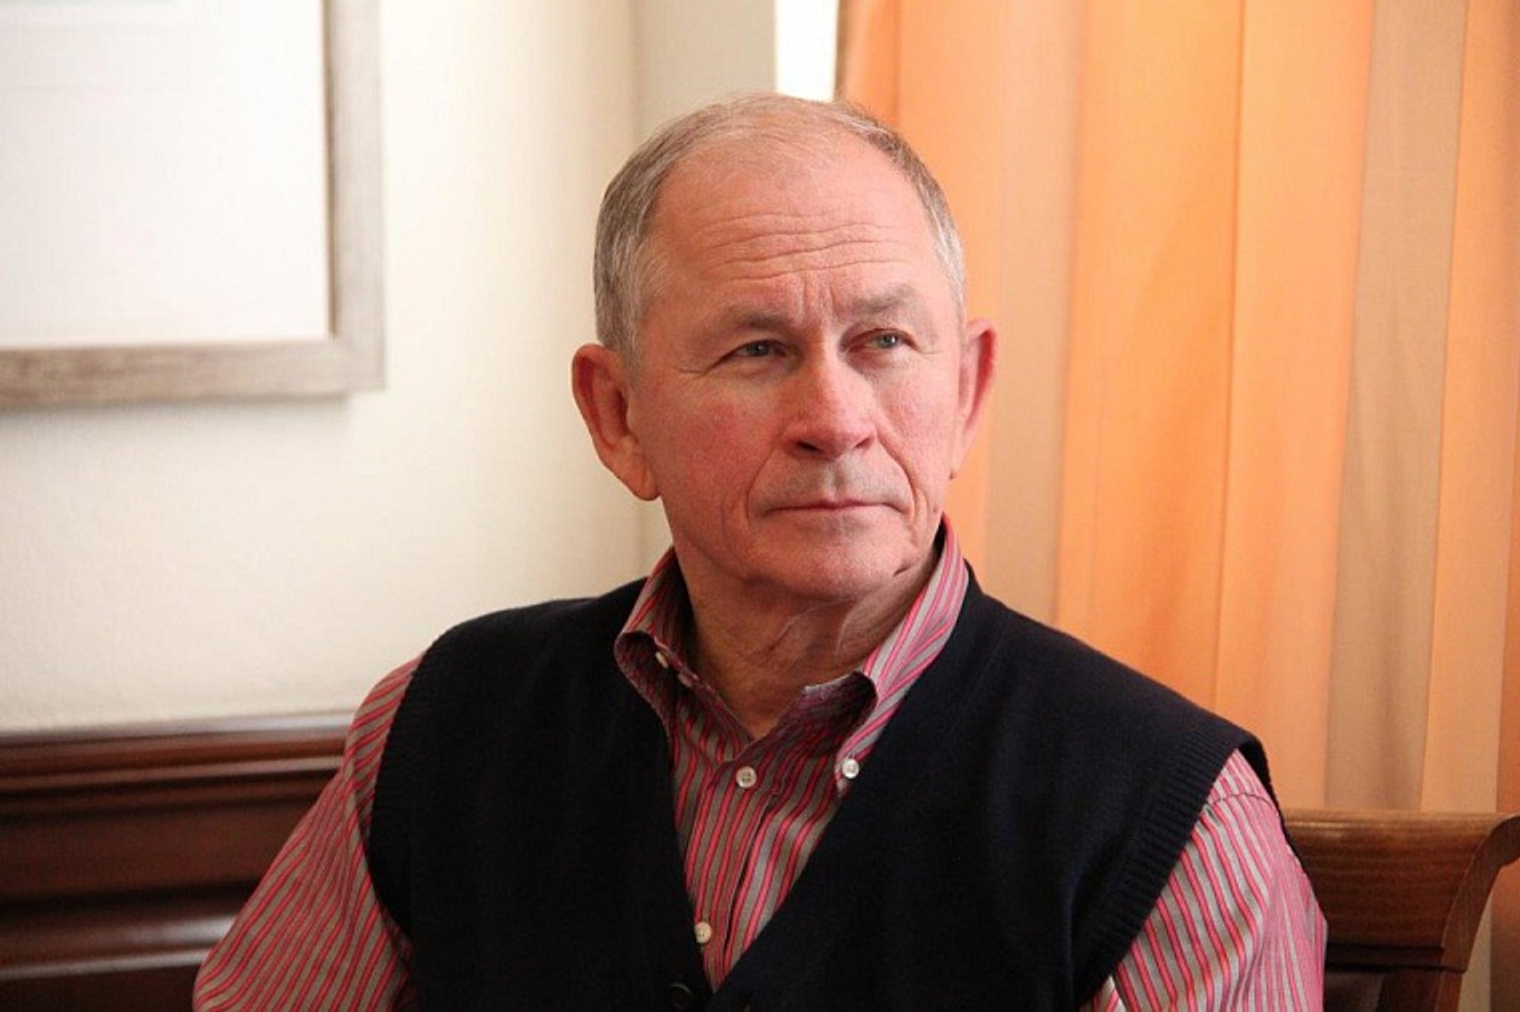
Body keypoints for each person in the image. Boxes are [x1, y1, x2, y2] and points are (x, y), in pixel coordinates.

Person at [194, 94, 1324, 1010]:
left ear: (967, 393)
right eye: (756, 349)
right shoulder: (437, 728)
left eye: (885, 341)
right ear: (618, 416)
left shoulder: (1178, 827)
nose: (833, 419)